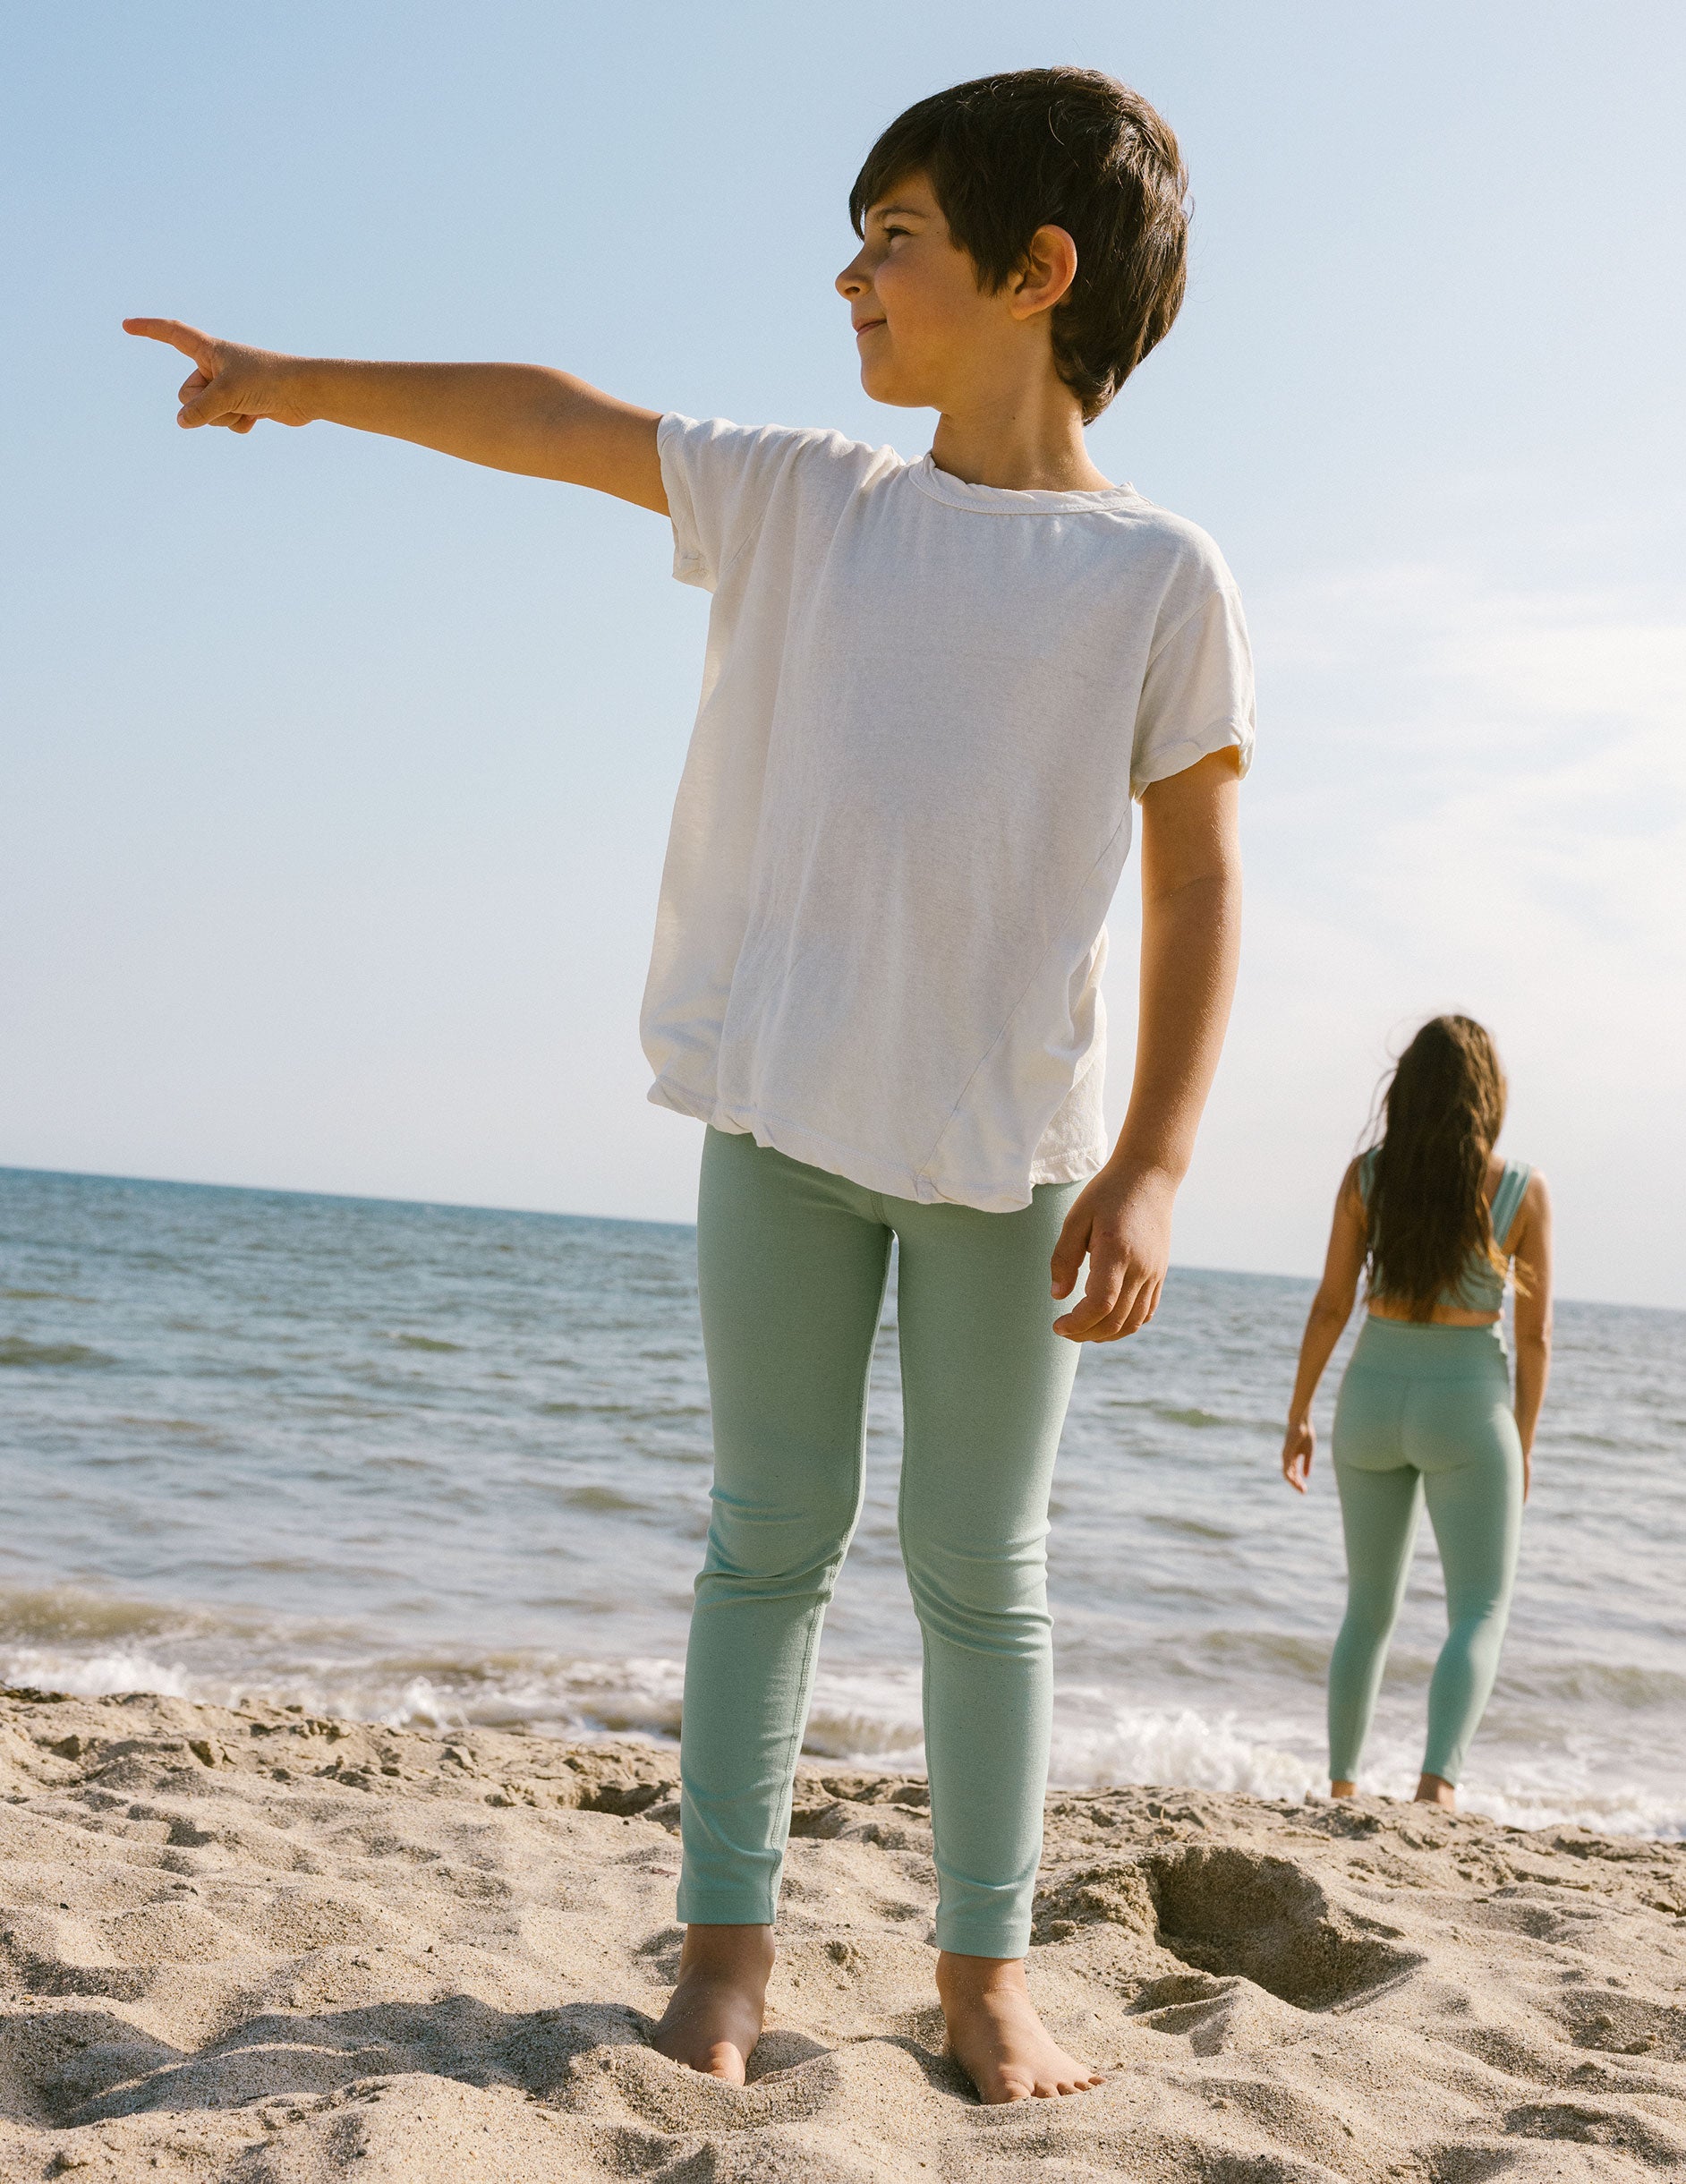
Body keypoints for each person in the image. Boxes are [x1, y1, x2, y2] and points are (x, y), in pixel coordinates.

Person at [126, 67, 1252, 2103]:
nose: (849, 275)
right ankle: (722, 1960)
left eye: (890, 237)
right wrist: (295, 379)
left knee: (983, 1573)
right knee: (767, 1538)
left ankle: (985, 1977)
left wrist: (1160, 1162)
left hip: (1011, 1162)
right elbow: (555, 417)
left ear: (1035, 271)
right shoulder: (815, 498)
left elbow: (1196, 879)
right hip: (784, 1130)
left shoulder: (1157, 580)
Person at [1282, 1015, 1553, 1810]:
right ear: (1488, 1097)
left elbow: (1333, 1305)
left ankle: (1342, 1786)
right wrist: (1523, 1441)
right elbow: (1534, 1339)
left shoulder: (1367, 1177)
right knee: (1480, 1608)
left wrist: (1299, 1410)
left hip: (1369, 1396)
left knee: (1367, 1606)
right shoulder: (1520, 1189)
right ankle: (1436, 1790)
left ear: (1406, 1091)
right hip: (1468, 1407)